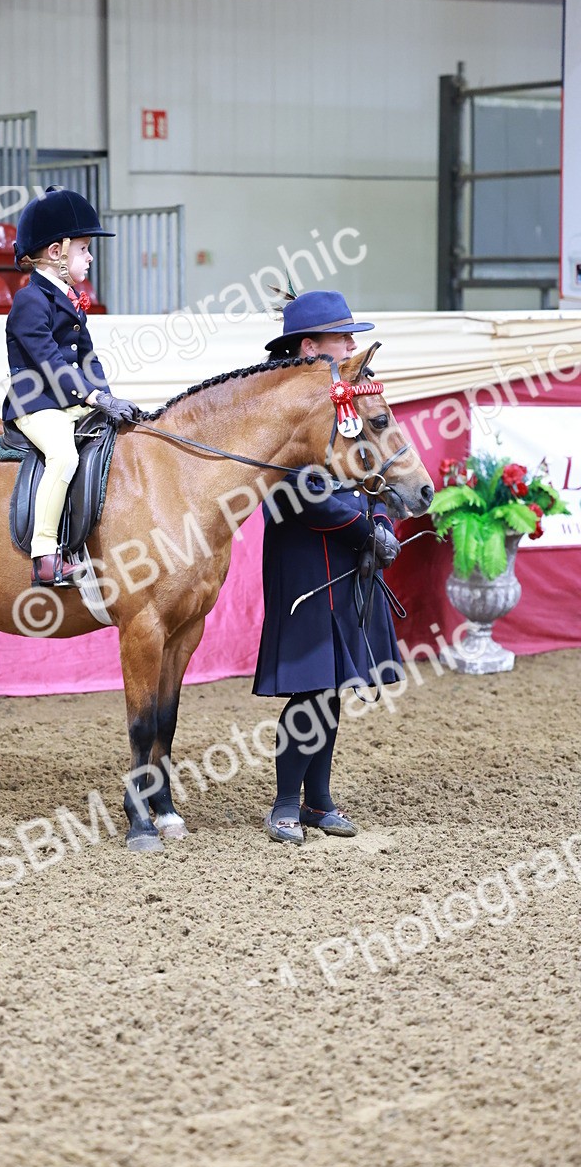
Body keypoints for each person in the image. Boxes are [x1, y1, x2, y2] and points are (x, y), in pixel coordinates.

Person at [254, 290, 402, 845]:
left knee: (332, 685)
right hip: (302, 559)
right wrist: (365, 528)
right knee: (310, 684)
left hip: (348, 555)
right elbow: (297, 494)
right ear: (311, 346)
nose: (353, 345)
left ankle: (318, 801)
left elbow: (378, 464)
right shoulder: (280, 408)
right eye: (343, 337)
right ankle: (285, 804)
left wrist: (382, 518)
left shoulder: (347, 402)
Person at [4, 185, 141, 587]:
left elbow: (87, 359)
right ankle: (45, 555)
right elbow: (50, 362)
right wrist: (94, 396)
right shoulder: (30, 302)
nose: (90, 256)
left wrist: (108, 397)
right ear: (55, 252)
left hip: (71, 401)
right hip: (37, 404)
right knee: (63, 458)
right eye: (83, 248)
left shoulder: (68, 298)